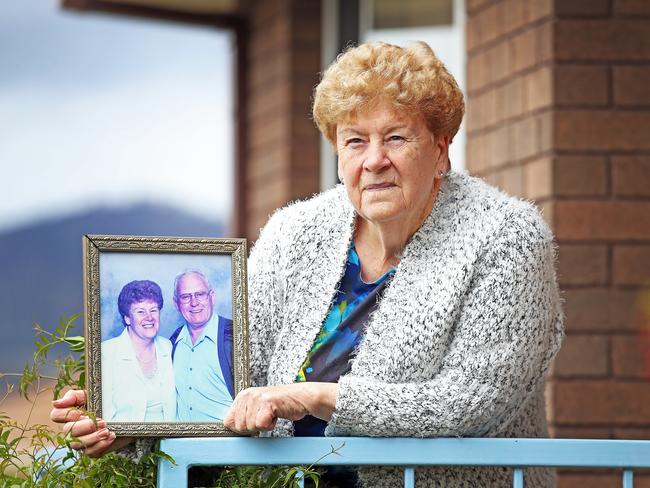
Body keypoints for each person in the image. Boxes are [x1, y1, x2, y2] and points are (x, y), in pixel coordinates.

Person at [51, 41, 563, 487]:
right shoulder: (295, 233)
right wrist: (128, 423)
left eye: (397, 137)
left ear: (442, 148)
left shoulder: (506, 236)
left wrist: (316, 397)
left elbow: (472, 402)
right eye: (355, 140)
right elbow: (231, 382)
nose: (374, 160)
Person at [101, 280, 176, 422]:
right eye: (140, 311)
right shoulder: (106, 354)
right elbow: (104, 418)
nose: (149, 317)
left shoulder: (168, 347)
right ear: (127, 318)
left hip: (168, 441)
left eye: (153, 310)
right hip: (123, 441)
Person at [170, 270, 234, 421]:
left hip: (228, 442)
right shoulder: (171, 343)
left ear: (212, 297)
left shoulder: (236, 335)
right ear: (176, 303)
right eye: (186, 297)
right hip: (181, 443)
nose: (194, 303)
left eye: (200, 294)